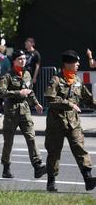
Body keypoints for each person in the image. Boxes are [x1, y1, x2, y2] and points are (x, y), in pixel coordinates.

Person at [44, 50, 96, 192]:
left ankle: (88, 178)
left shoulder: (77, 81)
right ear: (67, 64)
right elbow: (50, 99)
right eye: (75, 62)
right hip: (57, 122)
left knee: (80, 149)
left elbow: (89, 99)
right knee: (54, 152)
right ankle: (51, 181)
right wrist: (68, 103)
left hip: (74, 123)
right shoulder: (56, 80)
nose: (78, 64)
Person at [0, 50, 46, 179]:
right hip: (11, 111)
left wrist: (36, 103)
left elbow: (29, 91)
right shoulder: (7, 76)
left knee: (31, 137)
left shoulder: (27, 74)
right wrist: (18, 93)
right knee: (8, 141)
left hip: (25, 110)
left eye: (24, 59)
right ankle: (6, 168)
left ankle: (37, 166)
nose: (23, 61)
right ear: (14, 61)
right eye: (20, 59)